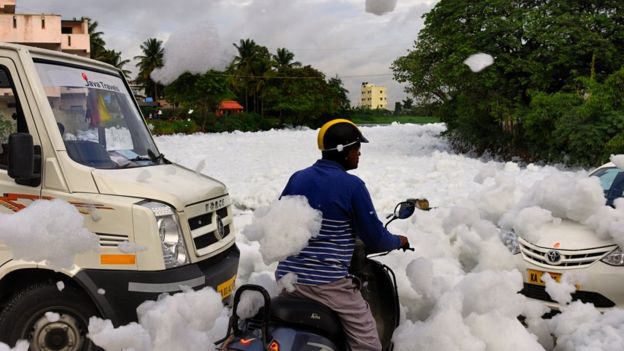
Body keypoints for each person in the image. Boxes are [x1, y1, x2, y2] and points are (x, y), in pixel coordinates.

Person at [275, 118, 409, 351]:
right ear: (345, 151)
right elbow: (375, 238)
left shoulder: (297, 178)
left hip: (288, 278)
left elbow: (280, 221)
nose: (359, 155)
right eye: (357, 149)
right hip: (326, 284)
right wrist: (398, 241)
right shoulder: (352, 186)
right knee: (368, 342)